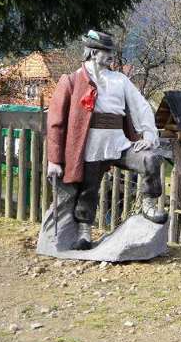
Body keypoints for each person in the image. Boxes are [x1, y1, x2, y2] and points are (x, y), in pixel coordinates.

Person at [46, 29, 167, 250]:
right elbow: (55, 122)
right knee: (88, 188)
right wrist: (54, 160)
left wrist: (149, 135)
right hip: (90, 148)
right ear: (92, 52)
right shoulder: (72, 81)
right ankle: (84, 230)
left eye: (111, 51)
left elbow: (140, 106)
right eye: (106, 51)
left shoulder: (120, 80)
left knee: (150, 159)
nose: (111, 55)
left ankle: (149, 204)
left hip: (120, 144)